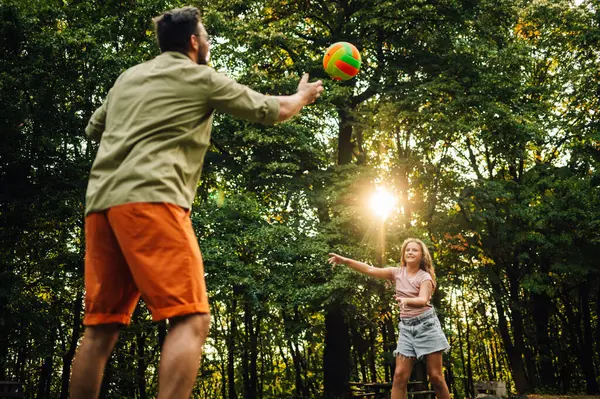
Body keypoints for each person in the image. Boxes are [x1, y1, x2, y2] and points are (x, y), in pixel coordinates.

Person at [70, 6, 323, 399]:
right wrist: (302, 95)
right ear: (194, 42)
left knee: (100, 328)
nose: (207, 42)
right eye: (206, 36)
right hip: (151, 201)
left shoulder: (128, 77)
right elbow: (274, 110)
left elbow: (93, 128)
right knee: (191, 318)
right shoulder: (199, 77)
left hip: (101, 206)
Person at [328, 238, 451, 399]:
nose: (410, 252)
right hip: (407, 328)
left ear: (422, 256)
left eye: (415, 250)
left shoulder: (425, 277)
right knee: (399, 376)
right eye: (407, 250)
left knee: (435, 377)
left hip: (426, 326)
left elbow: (423, 300)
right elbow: (370, 270)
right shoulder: (397, 272)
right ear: (403, 254)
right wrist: (345, 260)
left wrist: (406, 301)